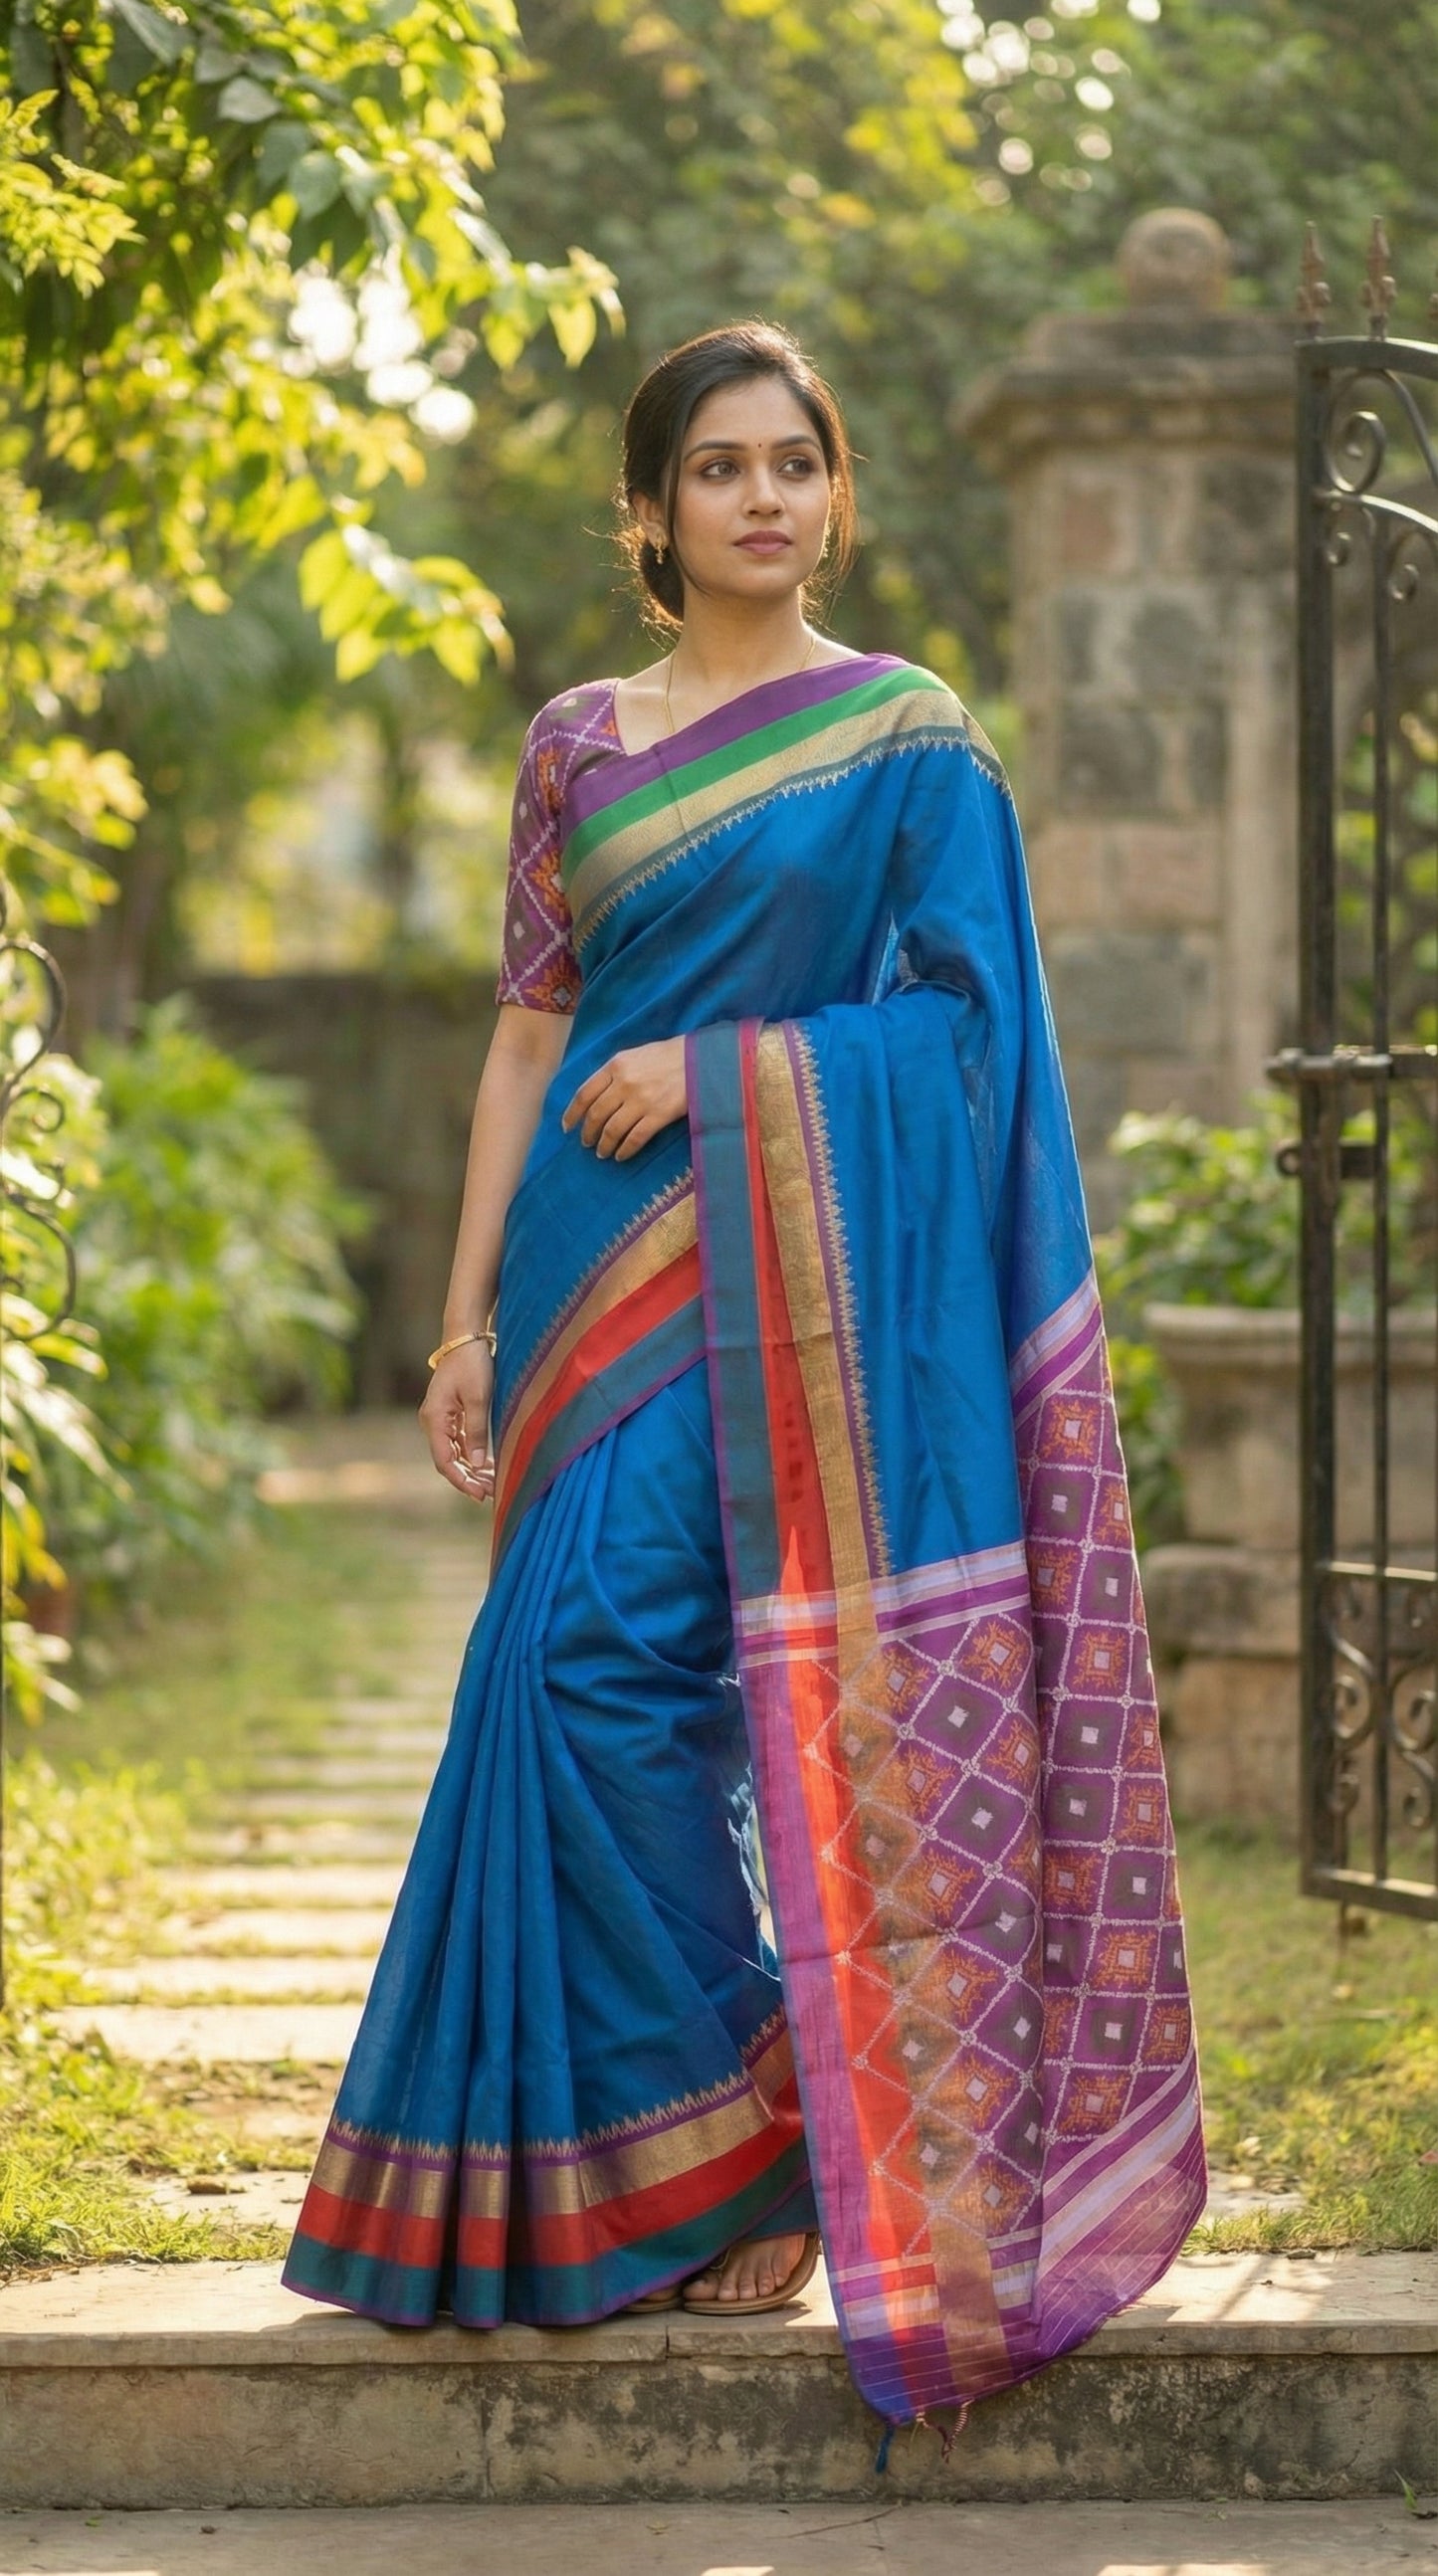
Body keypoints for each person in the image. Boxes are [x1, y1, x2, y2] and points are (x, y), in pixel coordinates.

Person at [283, 320, 1206, 2434]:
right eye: (720, 467)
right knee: (570, 1684)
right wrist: (461, 1318)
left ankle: (762, 2111)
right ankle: (649, 2163)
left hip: (788, 1275)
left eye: (797, 462)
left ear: (836, 492)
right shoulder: (577, 748)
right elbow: (528, 1031)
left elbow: (974, 1041)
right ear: (653, 509)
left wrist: (724, 1073)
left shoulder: (907, 740)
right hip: (584, 1279)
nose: (765, 498)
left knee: (627, 1660)